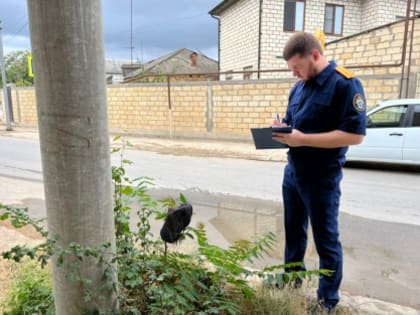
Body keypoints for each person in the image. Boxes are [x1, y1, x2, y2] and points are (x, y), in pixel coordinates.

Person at [272, 32, 366, 312]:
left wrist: (303, 139)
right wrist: (280, 128)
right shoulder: (298, 88)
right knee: (293, 232)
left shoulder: (344, 84)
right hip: (293, 173)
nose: (294, 73)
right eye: (291, 69)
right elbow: (292, 124)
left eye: (297, 67)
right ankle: (292, 279)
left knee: (325, 239)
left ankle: (327, 300)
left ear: (314, 55)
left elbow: (355, 135)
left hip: (322, 177)